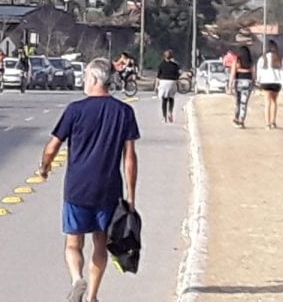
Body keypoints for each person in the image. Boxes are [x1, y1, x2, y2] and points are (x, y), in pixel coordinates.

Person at [38, 58, 139, 302]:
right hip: (109, 189)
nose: (84, 81)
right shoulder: (124, 112)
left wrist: (45, 167)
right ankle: (92, 295)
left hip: (77, 187)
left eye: (85, 77)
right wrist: (131, 197)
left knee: (73, 243)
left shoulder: (75, 110)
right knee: (100, 243)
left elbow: (52, 146)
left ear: (94, 79)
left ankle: (76, 279)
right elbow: (130, 159)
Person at [257, 40, 283, 129]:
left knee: (267, 102)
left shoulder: (262, 58)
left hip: (265, 81)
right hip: (276, 82)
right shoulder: (278, 58)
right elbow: (282, 70)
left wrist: (258, 80)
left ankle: (267, 124)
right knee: (274, 102)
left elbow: (259, 70)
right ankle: (273, 122)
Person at [228, 46, 254, 129]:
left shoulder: (237, 61)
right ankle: (242, 121)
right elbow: (254, 74)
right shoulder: (251, 62)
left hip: (238, 82)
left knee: (238, 102)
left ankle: (236, 118)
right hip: (248, 82)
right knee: (244, 103)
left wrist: (230, 86)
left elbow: (232, 73)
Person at [155, 50, 180, 123]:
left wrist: (156, 86)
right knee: (171, 98)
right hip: (172, 82)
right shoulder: (175, 65)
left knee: (164, 100)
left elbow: (158, 77)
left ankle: (164, 117)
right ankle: (170, 112)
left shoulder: (161, 65)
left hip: (163, 82)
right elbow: (178, 76)